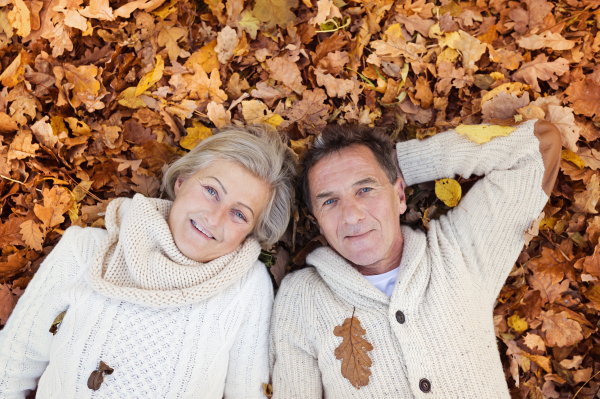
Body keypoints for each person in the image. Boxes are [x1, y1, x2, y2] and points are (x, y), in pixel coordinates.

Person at [0, 124, 297, 399]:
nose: (215, 217)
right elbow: (10, 366)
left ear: (251, 232)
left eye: (239, 214)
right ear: (181, 182)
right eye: (211, 191)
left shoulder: (246, 288)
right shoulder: (86, 250)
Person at [270, 119, 561, 398]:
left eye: (366, 189)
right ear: (318, 220)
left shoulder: (459, 250)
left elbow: (537, 146)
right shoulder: (302, 297)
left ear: (399, 196)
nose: (352, 215)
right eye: (330, 201)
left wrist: (407, 164)